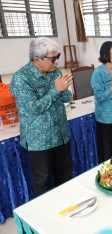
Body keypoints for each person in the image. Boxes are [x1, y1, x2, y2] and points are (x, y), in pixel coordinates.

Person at [10, 37, 73, 196]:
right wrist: (56, 90)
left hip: (61, 134)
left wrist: (65, 90)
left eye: (57, 56)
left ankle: (66, 209)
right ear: (37, 59)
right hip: (39, 140)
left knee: (65, 176)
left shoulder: (55, 72)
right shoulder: (21, 78)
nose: (57, 62)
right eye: (53, 58)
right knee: (42, 181)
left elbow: (66, 99)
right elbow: (33, 108)